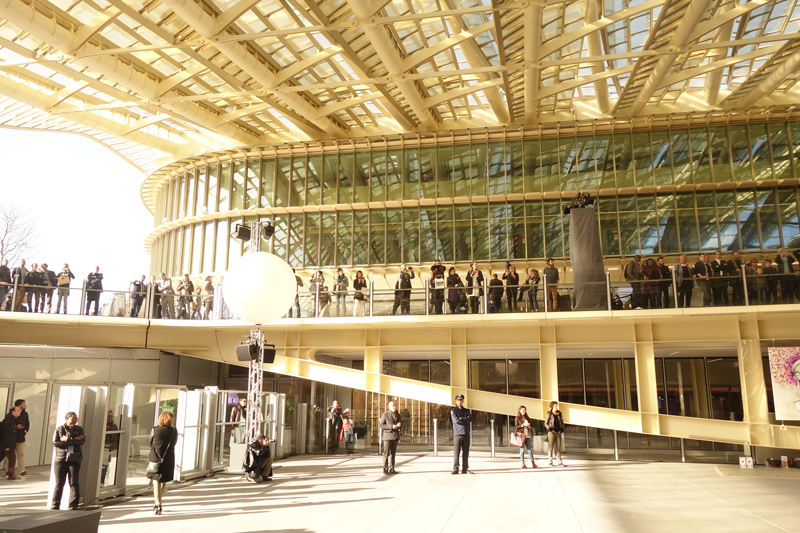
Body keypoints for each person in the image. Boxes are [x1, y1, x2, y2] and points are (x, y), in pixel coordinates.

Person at [51, 411, 85, 509]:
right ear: (66, 419)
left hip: (74, 459)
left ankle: (73, 504)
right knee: (59, 483)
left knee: (74, 482)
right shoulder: (59, 429)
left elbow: (82, 441)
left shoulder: (79, 429)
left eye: (76, 419)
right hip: (61, 459)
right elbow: (56, 443)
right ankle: (55, 504)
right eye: (72, 419)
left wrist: (68, 439)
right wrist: (75, 440)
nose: (74, 421)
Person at [147, 412, 177, 516]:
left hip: (155, 456)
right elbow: (174, 444)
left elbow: (150, 443)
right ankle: (159, 502)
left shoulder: (155, 430)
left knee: (156, 481)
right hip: (168, 458)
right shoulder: (173, 431)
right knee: (163, 480)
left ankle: (157, 503)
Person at [451, 394, 472, 474]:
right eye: (458, 400)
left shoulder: (466, 410)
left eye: (461, 400)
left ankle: (465, 468)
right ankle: (456, 467)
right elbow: (456, 421)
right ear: (456, 401)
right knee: (457, 452)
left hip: (466, 433)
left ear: (463, 401)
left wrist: (462, 418)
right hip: (457, 434)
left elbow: (470, 418)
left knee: (466, 452)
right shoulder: (453, 410)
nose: (460, 402)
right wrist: (465, 421)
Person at [379, 400, 401, 474]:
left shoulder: (398, 414)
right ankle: (385, 469)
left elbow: (399, 423)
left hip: (395, 436)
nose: (394, 407)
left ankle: (392, 468)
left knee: (393, 454)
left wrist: (399, 425)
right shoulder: (385, 415)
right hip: (387, 437)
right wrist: (391, 426)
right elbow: (381, 425)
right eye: (393, 405)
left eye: (395, 405)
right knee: (386, 454)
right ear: (389, 407)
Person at [0, 403, 21, 480]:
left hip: (3, 443)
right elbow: (9, 434)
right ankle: (11, 475)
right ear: (13, 412)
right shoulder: (11, 421)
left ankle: (11, 474)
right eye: (18, 410)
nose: (20, 411)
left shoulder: (7, 420)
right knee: (12, 459)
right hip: (7, 444)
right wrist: (8, 445)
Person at [544, 401, 565, 467]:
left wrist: (561, 430)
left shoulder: (559, 413)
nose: (556, 407)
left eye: (557, 405)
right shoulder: (549, 414)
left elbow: (562, 422)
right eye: (555, 405)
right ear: (552, 406)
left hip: (558, 432)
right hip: (551, 433)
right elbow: (545, 423)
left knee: (558, 447)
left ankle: (559, 461)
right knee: (551, 447)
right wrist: (550, 429)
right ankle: (550, 462)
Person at [14, 399, 28, 476]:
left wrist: (25, 430)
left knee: (20, 454)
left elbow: (27, 423)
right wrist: (16, 427)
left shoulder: (25, 414)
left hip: (21, 437)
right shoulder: (12, 413)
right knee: (10, 455)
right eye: (23, 403)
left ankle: (22, 470)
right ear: (19, 405)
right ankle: (9, 471)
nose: (25, 405)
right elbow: (9, 425)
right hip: (12, 438)